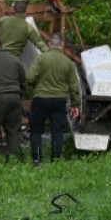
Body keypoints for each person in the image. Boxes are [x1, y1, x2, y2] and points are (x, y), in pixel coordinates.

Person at [26, 33, 80, 166]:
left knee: (36, 129)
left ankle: (37, 161)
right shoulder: (68, 62)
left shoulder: (41, 58)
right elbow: (74, 86)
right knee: (57, 131)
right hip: (59, 100)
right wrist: (75, 105)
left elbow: (29, 78)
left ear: (49, 44)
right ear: (62, 45)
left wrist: (36, 86)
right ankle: (55, 161)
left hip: (41, 99)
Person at [0, 37, 26, 159]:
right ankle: (15, 159)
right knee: (13, 130)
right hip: (14, 98)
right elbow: (23, 79)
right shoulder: (15, 60)